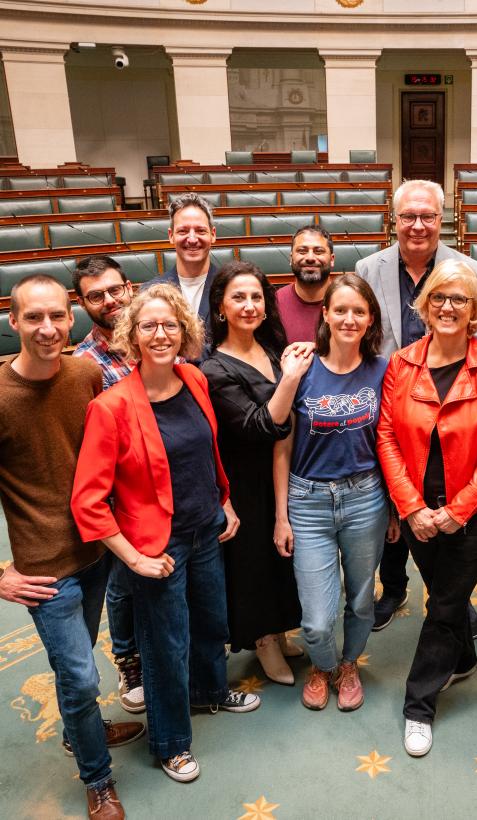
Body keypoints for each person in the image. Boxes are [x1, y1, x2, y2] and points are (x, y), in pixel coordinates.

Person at [71, 283, 259, 785]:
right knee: (165, 646)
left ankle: (210, 692)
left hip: (206, 529)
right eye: (149, 326)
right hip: (157, 547)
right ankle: (171, 742)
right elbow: (88, 502)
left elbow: (206, 452)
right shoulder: (110, 407)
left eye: (170, 325)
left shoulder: (194, 379)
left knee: (212, 624)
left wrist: (225, 500)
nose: (160, 334)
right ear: (132, 334)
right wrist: (133, 559)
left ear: (185, 332)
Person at [0, 274, 143, 819]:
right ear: (13, 321)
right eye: (34, 317)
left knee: (76, 664)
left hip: (96, 553)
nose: (47, 328)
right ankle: (97, 779)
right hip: (43, 573)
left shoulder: (85, 374)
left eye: (57, 316)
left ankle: (81, 728)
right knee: (80, 675)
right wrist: (1, 577)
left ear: (71, 317)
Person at [376, 258, 477, 758]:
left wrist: (460, 509)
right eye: (439, 297)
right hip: (417, 513)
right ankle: (465, 658)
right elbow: (387, 437)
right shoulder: (402, 362)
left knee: (443, 605)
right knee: (446, 595)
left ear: (476, 310)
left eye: (459, 299)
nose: (448, 306)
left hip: (472, 514)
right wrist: (410, 508)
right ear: (425, 306)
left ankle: (418, 706)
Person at [356, 178, 477, 634]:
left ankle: (449, 595)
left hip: (452, 402)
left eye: (427, 216)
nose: (417, 225)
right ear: (394, 221)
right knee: (395, 499)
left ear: (442, 219)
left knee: (446, 499)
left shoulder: (468, 265)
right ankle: (393, 588)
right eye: (408, 217)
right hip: (389, 404)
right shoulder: (368, 267)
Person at [273, 274, 395, 713]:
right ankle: (321, 662)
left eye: (358, 311)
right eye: (339, 309)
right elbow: (280, 444)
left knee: (362, 597)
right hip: (308, 501)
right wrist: (281, 516)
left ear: (370, 319)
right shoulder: (302, 367)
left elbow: (389, 442)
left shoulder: (383, 369)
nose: (348, 318)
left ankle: (347, 665)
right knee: (317, 618)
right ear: (324, 314)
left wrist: (396, 510)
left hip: (367, 498)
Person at [201, 261, 311, 685]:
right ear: (221, 308)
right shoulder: (215, 368)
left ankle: (281, 631)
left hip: (282, 471)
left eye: (256, 297)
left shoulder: (269, 348)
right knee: (254, 563)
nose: (249, 306)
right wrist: (291, 377)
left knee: (283, 555)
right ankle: (263, 640)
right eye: (238, 298)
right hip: (245, 480)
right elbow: (260, 426)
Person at [73, 254, 144, 715]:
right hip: (122, 494)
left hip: (172, 482)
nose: (109, 301)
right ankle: (129, 660)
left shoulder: (158, 337)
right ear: (82, 303)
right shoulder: (83, 366)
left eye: (114, 290)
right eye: (96, 295)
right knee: (122, 583)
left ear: (130, 288)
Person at [154, 192, 219, 328]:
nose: (192, 239)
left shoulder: (230, 288)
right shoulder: (151, 292)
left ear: (213, 235)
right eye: (183, 231)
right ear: (171, 236)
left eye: (201, 231)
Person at [275, 224, 335, 343]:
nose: (310, 258)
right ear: (291, 259)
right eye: (302, 251)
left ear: (332, 259)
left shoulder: (348, 301)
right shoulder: (274, 302)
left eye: (319, 251)